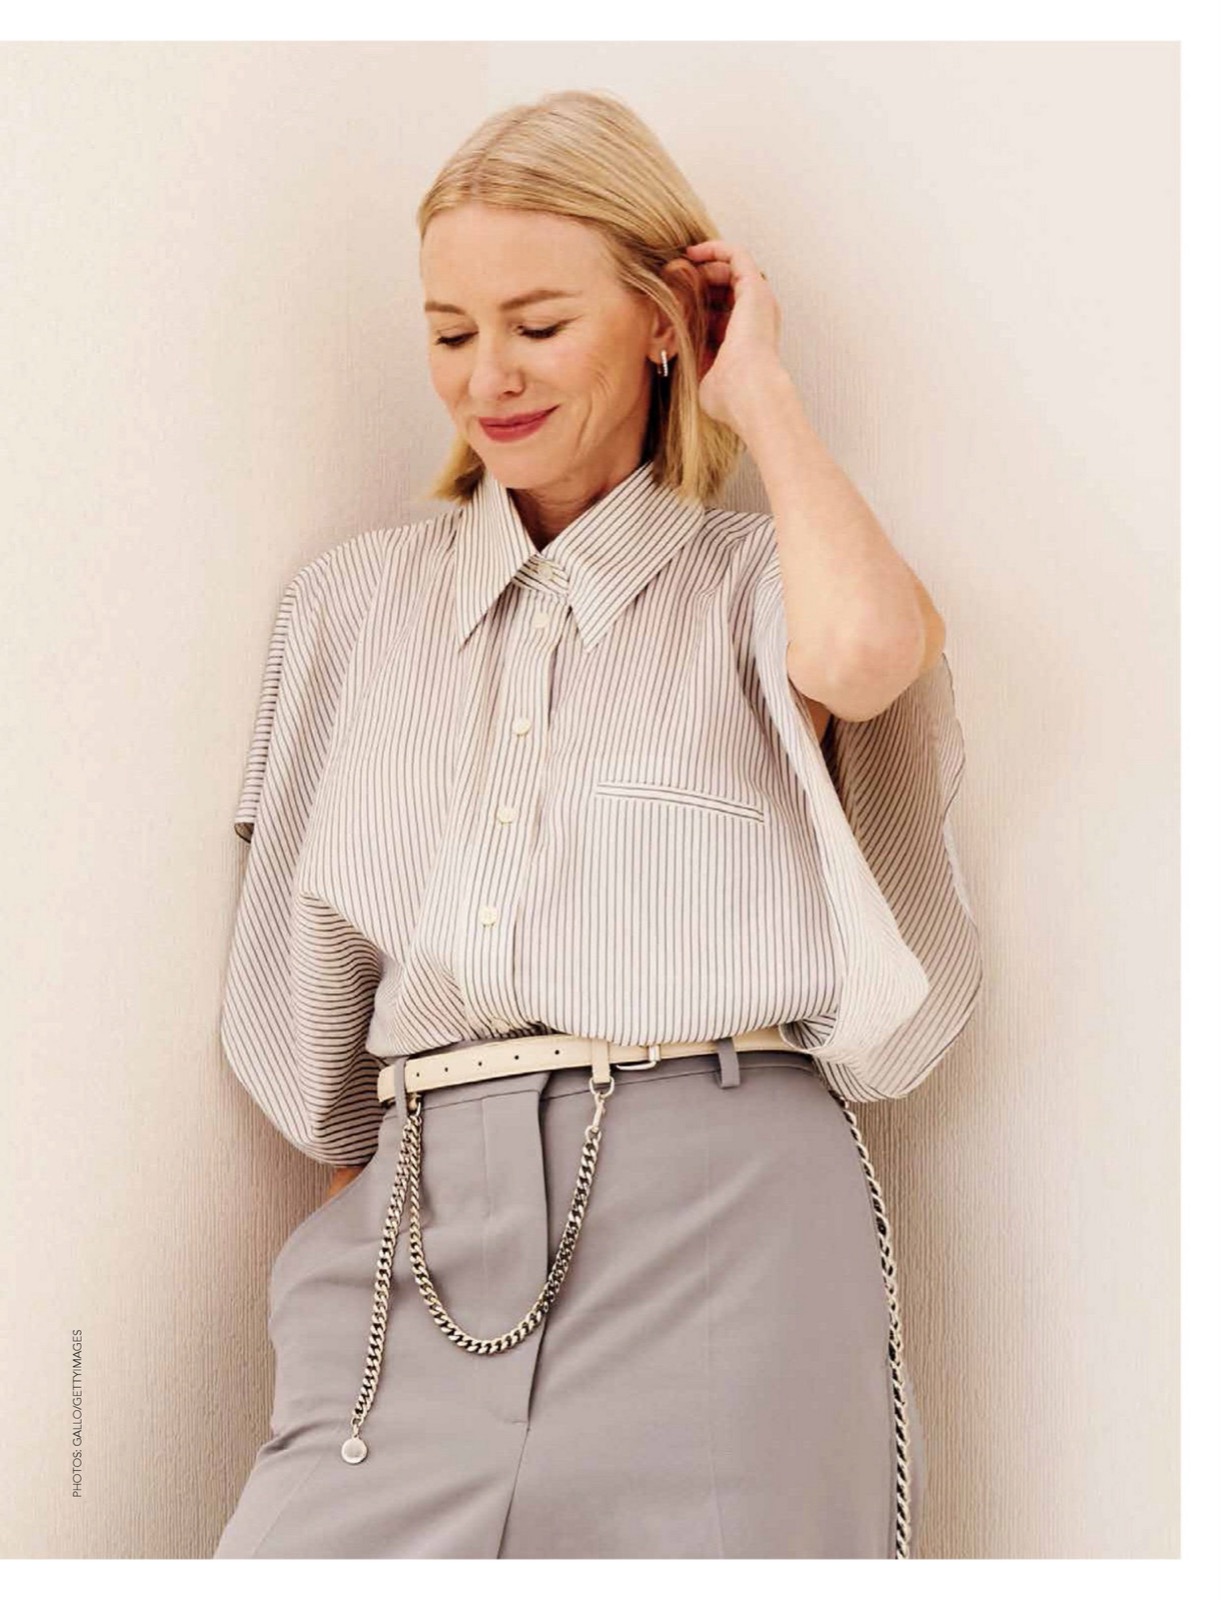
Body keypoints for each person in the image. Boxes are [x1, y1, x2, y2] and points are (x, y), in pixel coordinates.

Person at [212, 88, 982, 1561]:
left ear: (659, 320)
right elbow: (319, 1009)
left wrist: (759, 394)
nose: (487, 376)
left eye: (538, 324)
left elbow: (869, 655)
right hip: (416, 1224)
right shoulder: (347, 609)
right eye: (450, 332)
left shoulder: (762, 584)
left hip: (721, 1223)